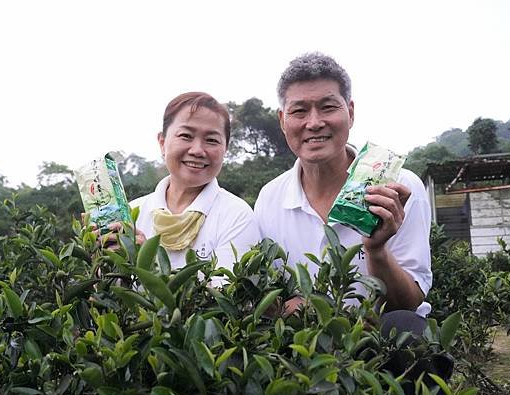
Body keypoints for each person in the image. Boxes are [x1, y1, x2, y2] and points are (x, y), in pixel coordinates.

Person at [254, 53, 433, 330]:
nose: (313, 122)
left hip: (378, 344)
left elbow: (406, 304)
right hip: (304, 344)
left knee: (407, 328)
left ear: (350, 112)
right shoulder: (269, 198)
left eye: (328, 107)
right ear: (282, 120)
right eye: (299, 111)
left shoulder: (396, 186)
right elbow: (271, 296)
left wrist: (376, 250)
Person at [128, 92, 260, 280]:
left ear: (226, 149)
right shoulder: (133, 212)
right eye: (186, 136)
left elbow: (226, 300)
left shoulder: (237, 216)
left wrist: (147, 264)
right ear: (162, 142)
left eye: (212, 140)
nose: (197, 150)